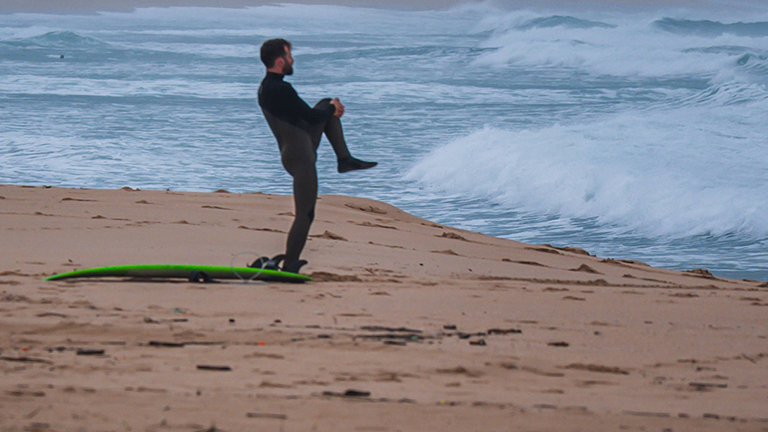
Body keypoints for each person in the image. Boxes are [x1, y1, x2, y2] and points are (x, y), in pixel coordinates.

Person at [256, 38, 377, 274]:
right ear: (280, 61)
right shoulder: (280, 89)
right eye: (290, 56)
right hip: (300, 156)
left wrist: (329, 108)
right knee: (306, 213)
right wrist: (333, 108)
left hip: (300, 146)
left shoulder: (268, 87)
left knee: (325, 103)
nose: (293, 60)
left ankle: (344, 159)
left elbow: (309, 116)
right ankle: (290, 264)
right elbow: (311, 117)